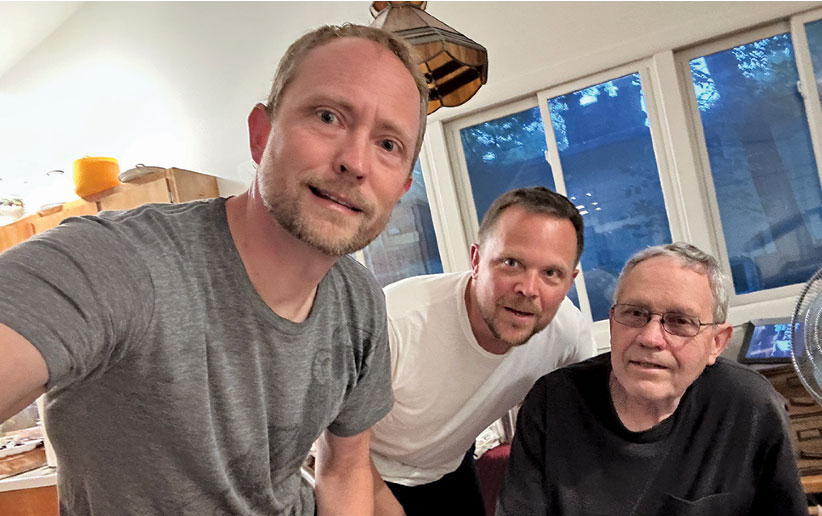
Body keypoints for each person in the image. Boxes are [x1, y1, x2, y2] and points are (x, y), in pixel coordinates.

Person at [0, 23, 429, 516]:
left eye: (389, 145)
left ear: (401, 189)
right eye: (329, 116)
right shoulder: (119, 262)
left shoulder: (360, 302)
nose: (356, 161)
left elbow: (346, 469)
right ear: (261, 134)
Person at [497, 242, 807, 516]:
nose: (650, 337)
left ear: (717, 342)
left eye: (680, 321)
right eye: (635, 314)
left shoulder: (749, 405)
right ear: (613, 323)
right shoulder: (553, 403)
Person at [370, 187, 595, 516]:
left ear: (569, 282)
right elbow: (331, 447)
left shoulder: (567, 335)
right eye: (511, 263)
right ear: (476, 260)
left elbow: (590, 421)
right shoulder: (396, 321)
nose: (528, 289)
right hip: (364, 466)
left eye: (551, 273)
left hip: (449, 465)